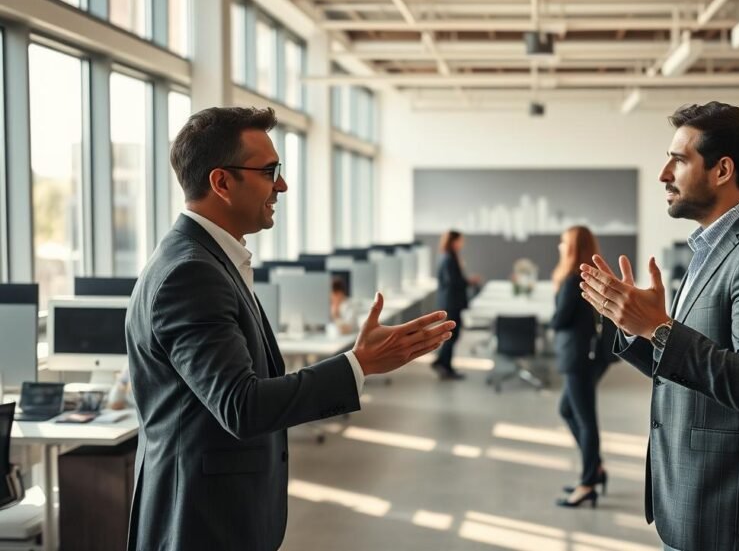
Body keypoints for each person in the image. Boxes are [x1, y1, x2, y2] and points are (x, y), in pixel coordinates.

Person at [125, 107, 456, 551]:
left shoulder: (207, 260)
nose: (281, 185)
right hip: (200, 523)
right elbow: (241, 405)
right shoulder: (191, 273)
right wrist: (358, 365)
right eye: (269, 171)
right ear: (221, 183)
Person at [578, 101, 739, 551]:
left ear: (722, 169)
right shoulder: (715, 247)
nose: (663, 174)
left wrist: (659, 328)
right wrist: (636, 327)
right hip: (696, 497)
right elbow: (688, 367)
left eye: (679, 159)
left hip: (731, 507)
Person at [550, 226, 611, 509]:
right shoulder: (585, 277)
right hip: (586, 355)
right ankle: (595, 469)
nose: (560, 246)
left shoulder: (573, 280)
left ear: (573, 247)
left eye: (564, 242)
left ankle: (587, 484)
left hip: (578, 357)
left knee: (586, 421)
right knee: (568, 410)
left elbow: (559, 320)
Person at [432, 230, 477, 380]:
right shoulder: (449, 259)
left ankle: (442, 362)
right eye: (460, 240)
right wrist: (468, 282)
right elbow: (453, 282)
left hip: (451, 301)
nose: (462, 244)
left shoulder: (449, 257)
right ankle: (445, 366)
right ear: (453, 241)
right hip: (451, 302)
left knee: (452, 334)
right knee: (452, 335)